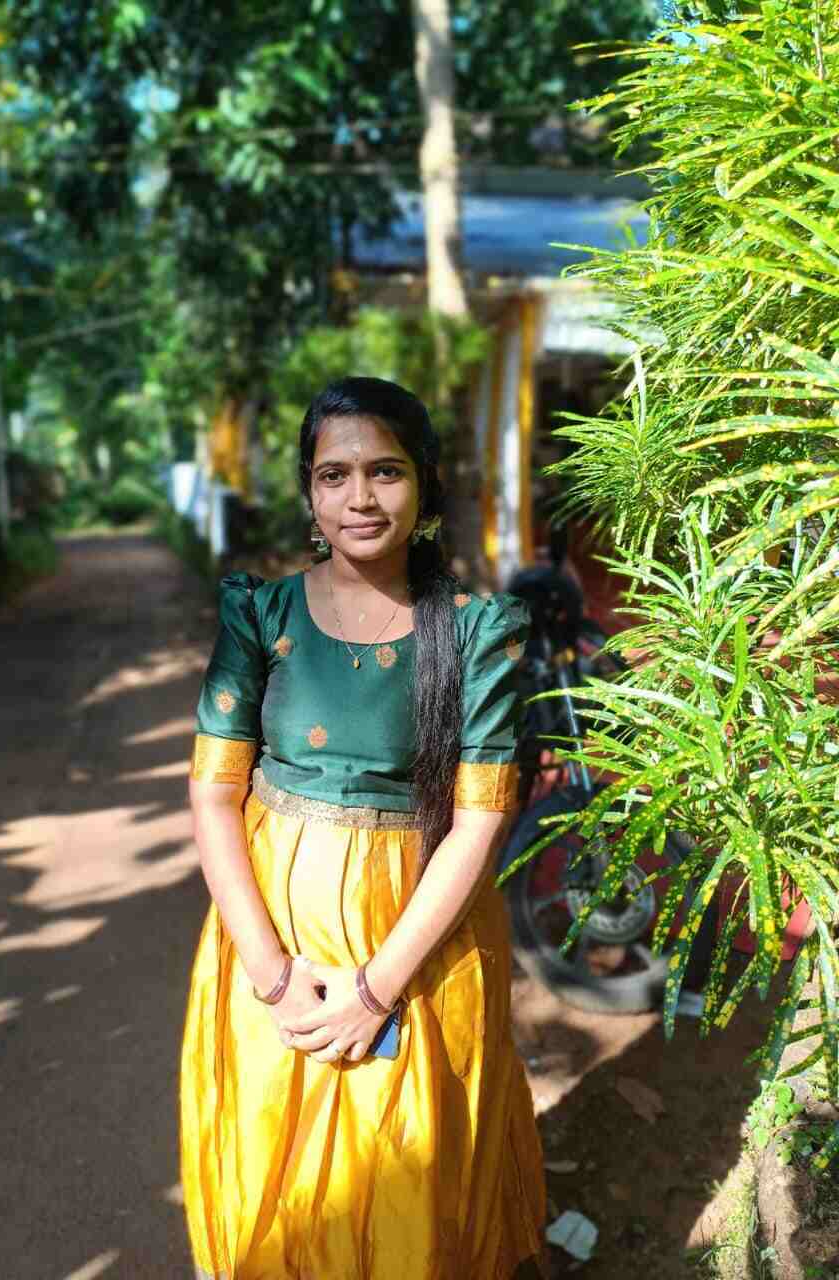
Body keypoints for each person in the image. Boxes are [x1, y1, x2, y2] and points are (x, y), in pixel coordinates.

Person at [181, 376, 547, 1279]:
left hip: (419, 947)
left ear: (424, 484)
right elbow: (214, 798)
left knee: (409, 1181)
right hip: (271, 947)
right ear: (309, 493)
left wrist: (377, 990)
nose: (360, 497)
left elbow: (479, 823)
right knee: (277, 1174)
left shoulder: (477, 633)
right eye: (333, 475)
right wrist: (273, 977)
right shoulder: (259, 615)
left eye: (385, 471)